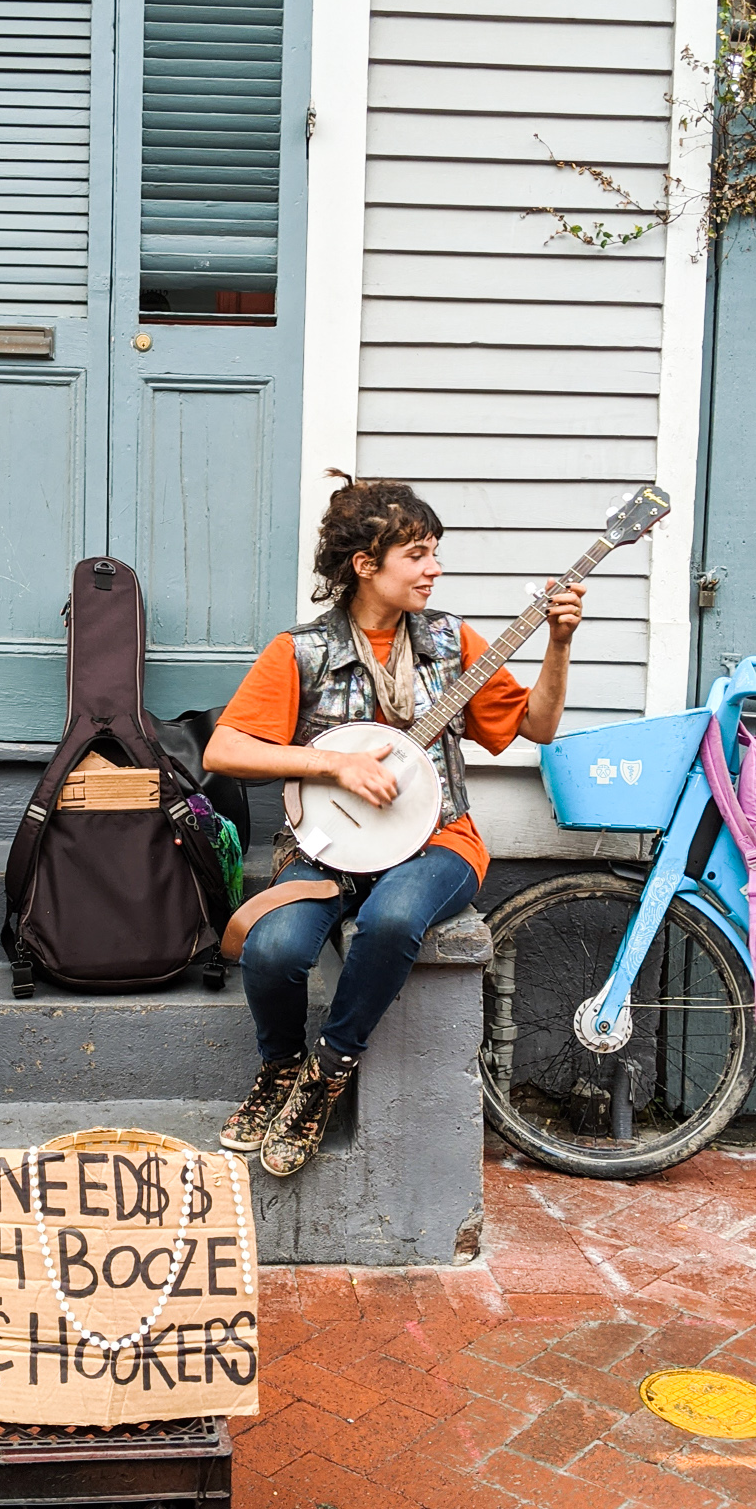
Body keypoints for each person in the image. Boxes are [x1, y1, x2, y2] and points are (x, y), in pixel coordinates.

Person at [203, 473, 583, 1179]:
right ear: (365, 564)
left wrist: (558, 642)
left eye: (435, 551)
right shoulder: (302, 652)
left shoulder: (451, 643)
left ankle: (326, 1073)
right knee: (274, 949)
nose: (434, 568)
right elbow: (224, 750)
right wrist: (334, 766)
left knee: (393, 918)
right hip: (328, 843)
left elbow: (537, 726)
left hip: (439, 841)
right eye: (417, 554)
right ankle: (280, 1068)